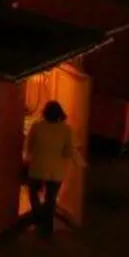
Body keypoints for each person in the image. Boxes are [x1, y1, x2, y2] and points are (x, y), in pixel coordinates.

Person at [24, 101, 84, 238]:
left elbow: (29, 146)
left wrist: (31, 155)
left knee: (33, 193)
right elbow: (68, 152)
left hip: (38, 168)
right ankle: (47, 226)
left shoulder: (37, 127)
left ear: (44, 113)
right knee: (51, 198)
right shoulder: (66, 130)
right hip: (56, 171)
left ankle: (37, 216)